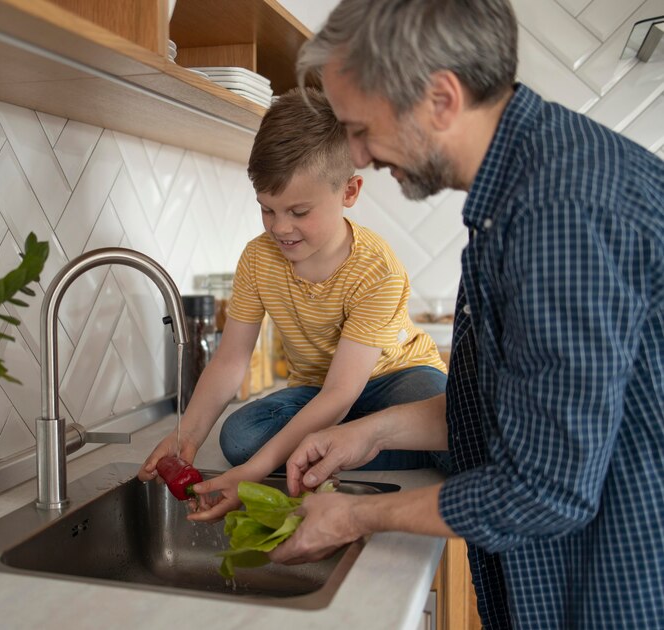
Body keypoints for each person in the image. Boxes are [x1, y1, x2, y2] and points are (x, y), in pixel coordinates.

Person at [267, 1, 664, 629]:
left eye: (362, 128)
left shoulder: (557, 214)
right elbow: (511, 403)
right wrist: (370, 433)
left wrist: (354, 515)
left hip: (616, 589)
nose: (360, 156)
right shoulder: (529, 183)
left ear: (442, 100)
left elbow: (546, 487)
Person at [138, 87, 448, 521]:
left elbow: (345, 392)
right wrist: (185, 434)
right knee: (240, 438)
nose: (280, 228)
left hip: (397, 380)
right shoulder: (258, 258)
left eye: (299, 212)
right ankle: (355, 449)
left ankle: (361, 443)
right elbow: (230, 361)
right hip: (318, 392)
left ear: (350, 191)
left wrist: (257, 472)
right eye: (267, 209)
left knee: (453, 422)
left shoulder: (378, 270)